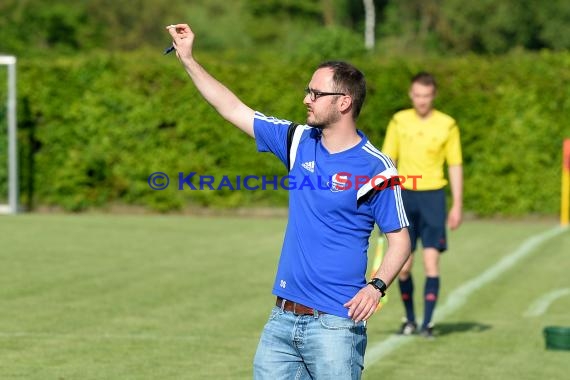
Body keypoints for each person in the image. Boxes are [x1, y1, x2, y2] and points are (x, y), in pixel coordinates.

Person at [166, 24, 411, 379]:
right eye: (307, 91)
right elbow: (233, 108)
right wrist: (188, 59)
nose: (306, 99)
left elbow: (400, 240)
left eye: (316, 93)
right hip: (281, 321)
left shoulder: (376, 167)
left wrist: (376, 287)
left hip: (335, 327)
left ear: (344, 102)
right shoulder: (298, 141)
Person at [381, 72, 463, 339]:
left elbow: (455, 164)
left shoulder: (448, 125)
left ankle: (427, 323)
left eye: (426, 96)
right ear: (411, 94)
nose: (422, 101)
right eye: (417, 95)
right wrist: (382, 200)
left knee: (431, 263)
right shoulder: (398, 120)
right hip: (403, 196)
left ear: (433, 95)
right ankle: (410, 320)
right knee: (403, 266)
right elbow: (388, 160)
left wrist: (457, 204)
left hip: (433, 198)